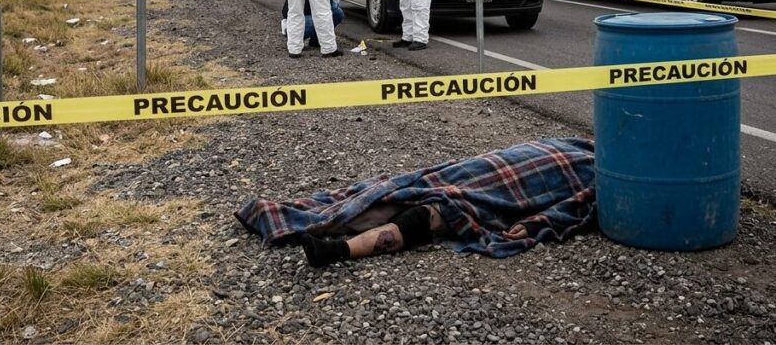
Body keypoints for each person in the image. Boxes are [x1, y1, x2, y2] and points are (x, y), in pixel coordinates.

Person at [235, 138, 596, 267]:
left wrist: (538, 224)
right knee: (403, 190)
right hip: (481, 169)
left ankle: (339, 251)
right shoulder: (581, 145)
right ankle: (309, 219)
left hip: (504, 193)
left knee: (437, 213)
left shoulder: (601, 177)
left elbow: (577, 208)